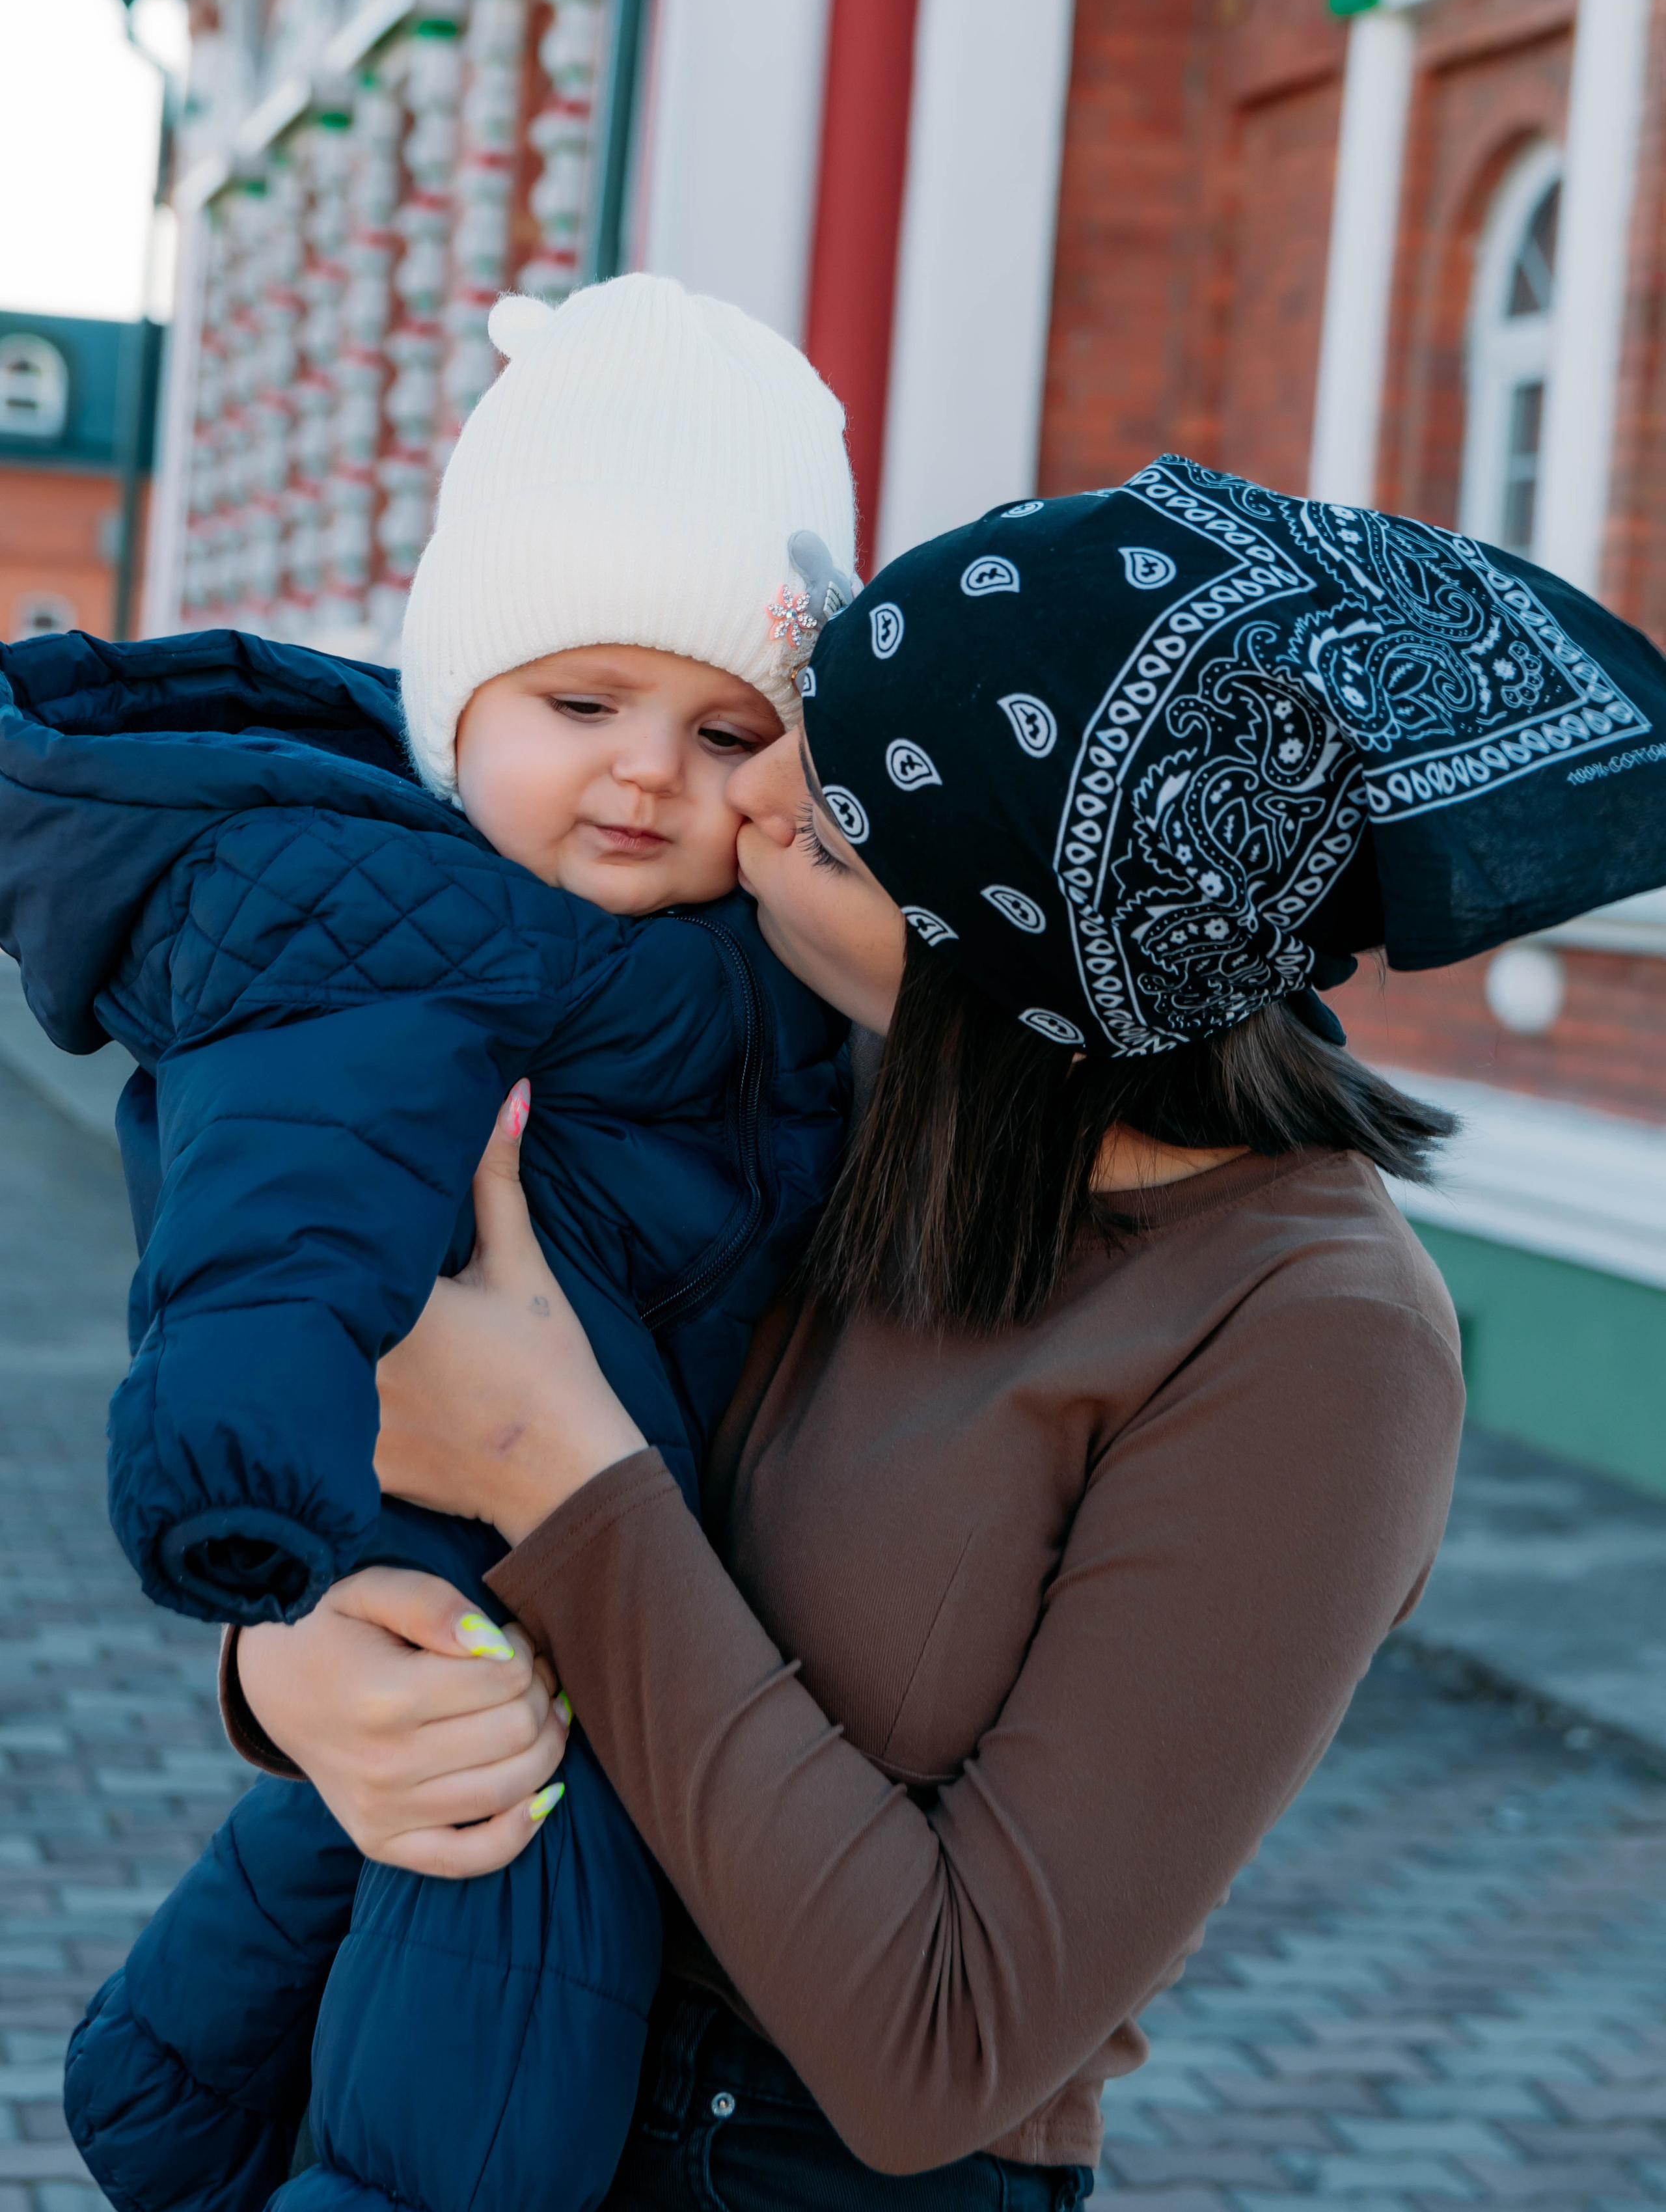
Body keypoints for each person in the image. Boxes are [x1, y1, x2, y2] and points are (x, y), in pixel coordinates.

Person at [224, 460, 1666, 2211]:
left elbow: (946, 2045)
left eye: (828, 831)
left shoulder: (1317, 1346)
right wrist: (286, 1672)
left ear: (1004, 982)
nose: (738, 794)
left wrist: (567, 1485)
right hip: (473, 2061)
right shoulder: (818, 1090)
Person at [0, 275, 859, 2212]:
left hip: (603, 1557)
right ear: (453, 697)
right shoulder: (390, 933)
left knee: (395, 1862)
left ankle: (166, 2080)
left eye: (729, 728)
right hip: (465, 1552)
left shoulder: (749, 965)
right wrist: (242, 1484)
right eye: (582, 703)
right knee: (509, 1943)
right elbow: (275, 1220)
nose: (649, 770)